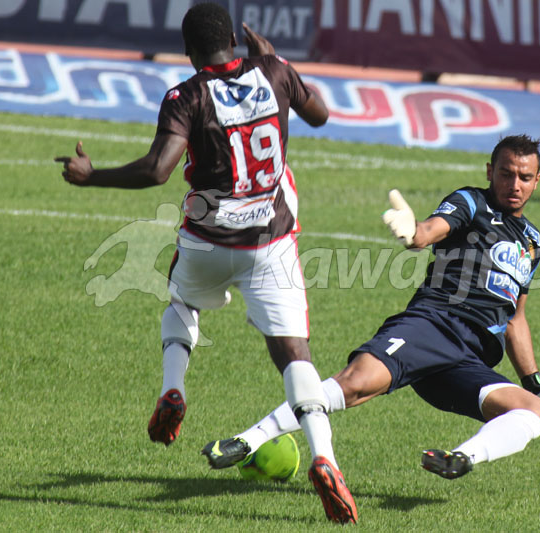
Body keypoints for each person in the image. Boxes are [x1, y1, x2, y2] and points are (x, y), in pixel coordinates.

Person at [55, 3, 357, 524]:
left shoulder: (186, 95)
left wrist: (92, 175)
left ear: (188, 52)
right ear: (236, 44)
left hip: (208, 244)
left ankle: (174, 387)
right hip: (271, 243)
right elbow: (321, 115)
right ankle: (325, 459)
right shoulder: (275, 73)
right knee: (294, 355)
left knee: (180, 302)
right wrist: (276, 60)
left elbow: (157, 170)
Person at [201, 134, 540, 484]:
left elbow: (515, 318)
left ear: (538, 181)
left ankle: (461, 458)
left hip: (468, 358)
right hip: (434, 327)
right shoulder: (471, 202)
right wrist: (415, 232)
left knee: (536, 412)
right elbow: (429, 231)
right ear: (490, 171)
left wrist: (535, 384)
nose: (514, 184)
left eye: (524, 177)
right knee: (354, 384)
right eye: (506, 173)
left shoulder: (532, 241)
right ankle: (247, 440)